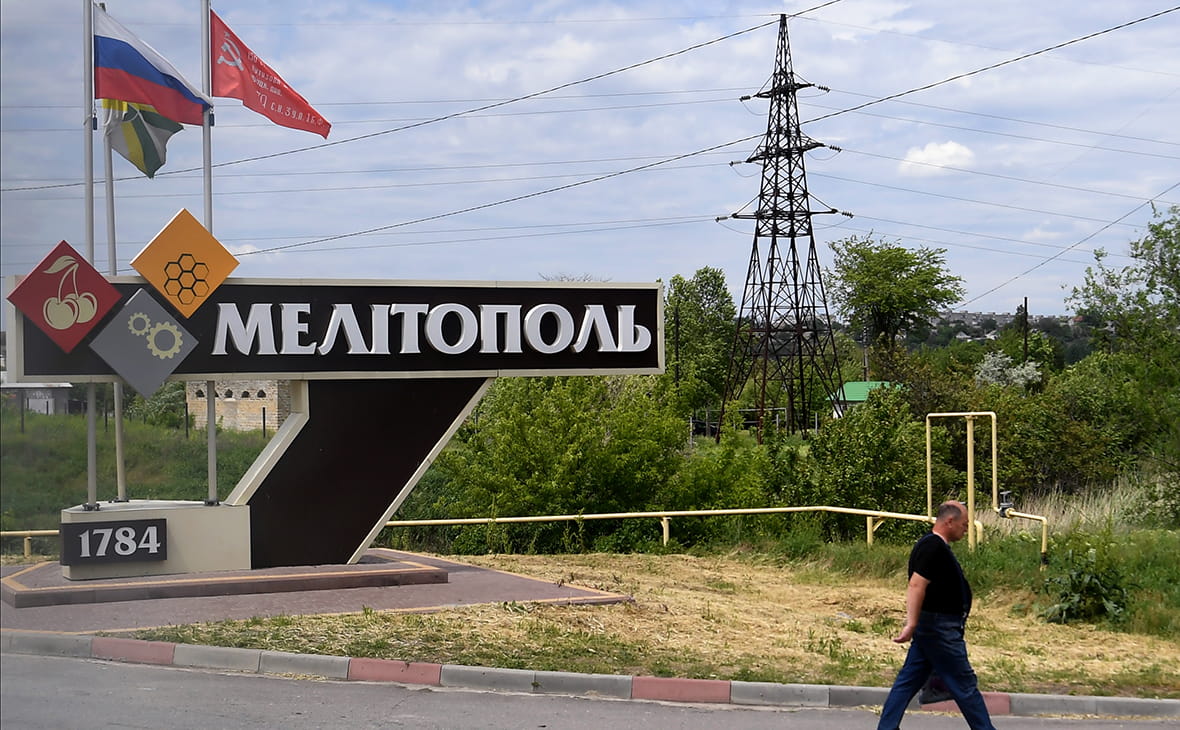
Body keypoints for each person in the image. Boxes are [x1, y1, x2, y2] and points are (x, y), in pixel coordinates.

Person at [877, 500, 996, 730]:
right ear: (950, 521)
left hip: (934, 626)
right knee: (964, 684)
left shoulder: (934, 545)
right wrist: (911, 623)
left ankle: (887, 727)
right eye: (964, 524)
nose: (966, 529)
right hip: (939, 628)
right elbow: (916, 585)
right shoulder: (933, 548)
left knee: (908, 681)